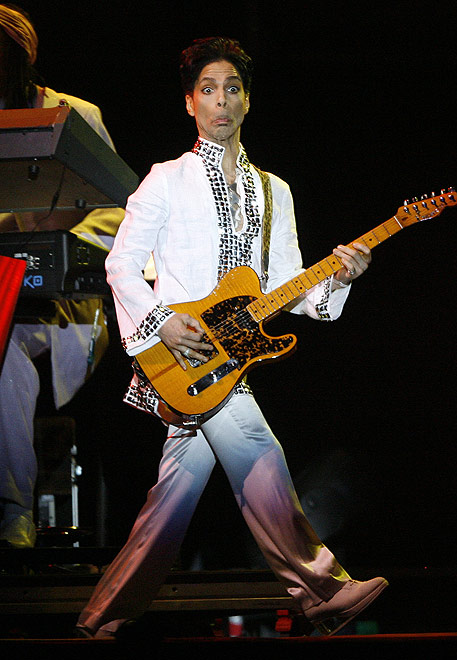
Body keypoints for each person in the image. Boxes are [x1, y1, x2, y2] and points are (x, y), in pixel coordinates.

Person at [76, 36, 388, 638]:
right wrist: (162, 321)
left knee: (169, 506)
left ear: (248, 100)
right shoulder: (166, 180)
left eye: (233, 89)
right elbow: (121, 265)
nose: (221, 101)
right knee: (257, 446)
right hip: (181, 352)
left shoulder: (275, 191)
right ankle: (321, 588)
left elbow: (289, 288)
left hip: (233, 359)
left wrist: (338, 277)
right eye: (208, 89)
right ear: (190, 102)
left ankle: (101, 620)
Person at [0, 4, 124, 548]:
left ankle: (13, 513)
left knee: (3, 347)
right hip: (4, 293)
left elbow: (118, 215)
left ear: (17, 58)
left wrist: (56, 241)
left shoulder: (74, 115)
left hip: (65, 308)